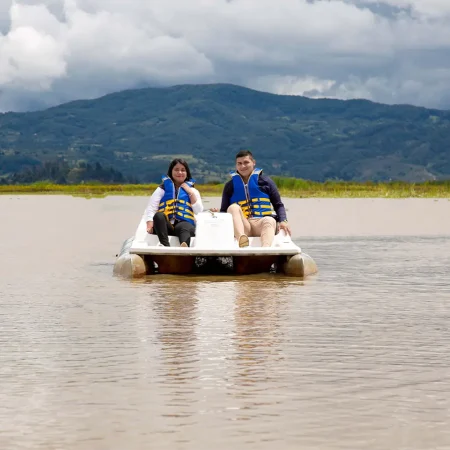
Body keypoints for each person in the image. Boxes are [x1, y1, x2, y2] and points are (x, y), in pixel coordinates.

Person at [214, 150, 291, 248]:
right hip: (243, 226)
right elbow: (224, 211)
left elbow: (278, 205)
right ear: (236, 165)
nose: (242, 166)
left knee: (269, 219)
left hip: (262, 222)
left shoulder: (266, 182)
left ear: (253, 163)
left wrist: (283, 220)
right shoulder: (230, 186)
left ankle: (265, 250)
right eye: (239, 163)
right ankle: (241, 240)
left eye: (246, 162)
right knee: (233, 208)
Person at [145, 159, 203, 247]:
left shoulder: (193, 191)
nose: (180, 172)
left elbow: (198, 211)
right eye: (176, 170)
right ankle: (165, 246)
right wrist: (149, 225)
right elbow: (151, 208)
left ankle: (184, 247)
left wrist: (190, 192)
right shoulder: (162, 189)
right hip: (166, 226)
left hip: (184, 225)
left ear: (187, 173)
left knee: (184, 227)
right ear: (171, 172)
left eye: (183, 170)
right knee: (158, 216)